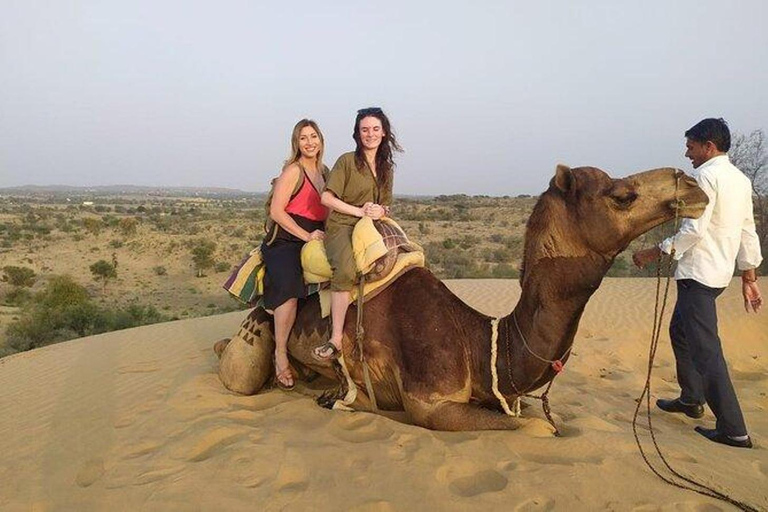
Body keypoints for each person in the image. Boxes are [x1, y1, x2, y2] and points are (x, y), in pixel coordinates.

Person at [632, 117, 763, 449]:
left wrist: (655, 251)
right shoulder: (739, 179)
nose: (687, 153)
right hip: (718, 275)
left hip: (699, 274)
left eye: (691, 146)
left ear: (709, 146)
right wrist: (749, 274)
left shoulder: (704, 177)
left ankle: (733, 429)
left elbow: (694, 230)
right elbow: (748, 229)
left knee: (706, 352)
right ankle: (691, 399)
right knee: (680, 331)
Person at [312, 107, 402, 361]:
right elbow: (326, 197)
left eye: (375, 129)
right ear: (358, 133)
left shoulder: (386, 167)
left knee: (405, 255)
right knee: (346, 270)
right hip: (342, 224)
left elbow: (386, 204)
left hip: (369, 224)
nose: (370, 134)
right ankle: (336, 338)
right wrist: (359, 210)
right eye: (365, 130)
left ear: (383, 133)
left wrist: (378, 210)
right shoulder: (347, 161)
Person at [262, 119, 328, 389]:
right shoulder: (293, 171)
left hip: (316, 236)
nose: (310, 142)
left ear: (321, 140)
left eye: (314, 136)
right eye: (304, 138)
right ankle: (280, 354)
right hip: (287, 239)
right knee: (290, 288)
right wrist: (306, 237)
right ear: (296, 143)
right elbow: (277, 212)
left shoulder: (325, 171)